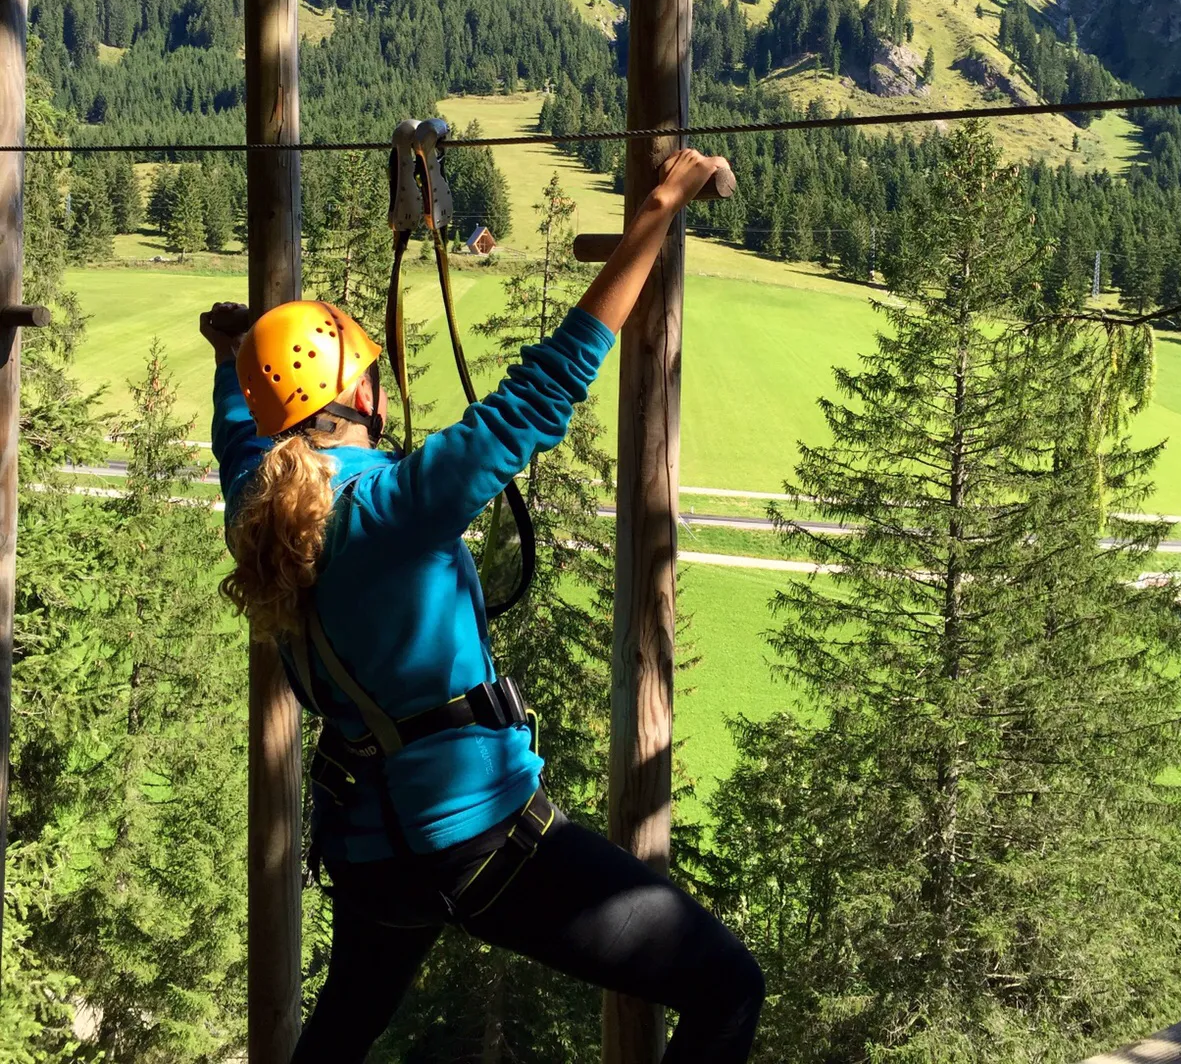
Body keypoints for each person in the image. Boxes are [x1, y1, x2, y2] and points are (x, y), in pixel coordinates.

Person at [204, 148, 764, 1064]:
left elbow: (240, 431)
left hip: (369, 843)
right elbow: (541, 393)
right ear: (356, 396)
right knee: (727, 985)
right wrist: (655, 213)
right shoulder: (391, 510)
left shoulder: (256, 503)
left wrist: (236, 361)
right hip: (478, 841)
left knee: (341, 1035)